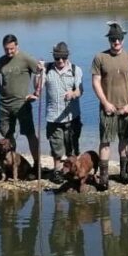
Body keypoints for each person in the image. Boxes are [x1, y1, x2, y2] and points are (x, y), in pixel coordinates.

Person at [90, 22, 128, 188]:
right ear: (109, 40)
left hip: (126, 107)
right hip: (107, 108)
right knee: (105, 141)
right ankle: (104, 178)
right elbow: (95, 82)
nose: (116, 42)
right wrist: (105, 103)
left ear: (123, 39)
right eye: (113, 39)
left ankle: (123, 173)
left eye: (118, 39)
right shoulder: (100, 57)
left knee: (124, 140)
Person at [0, 34, 43, 169]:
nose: (9, 52)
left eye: (11, 49)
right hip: (4, 104)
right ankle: (12, 164)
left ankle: (37, 164)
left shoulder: (25, 58)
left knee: (30, 134)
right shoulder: (0, 61)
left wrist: (36, 92)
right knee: (7, 135)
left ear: (17, 46)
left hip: (22, 104)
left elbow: (40, 72)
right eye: (6, 49)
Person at [43, 41, 84, 183]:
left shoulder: (75, 70)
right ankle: (57, 172)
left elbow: (80, 90)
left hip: (72, 116)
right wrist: (38, 72)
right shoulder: (46, 69)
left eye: (63, 57)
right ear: (53, 57)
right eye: (57, 58)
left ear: (67, 56)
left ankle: (73, 170)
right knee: (56, 147)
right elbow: (38, 87)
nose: (60, 61)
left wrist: (73, 94)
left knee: (72, 147)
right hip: (53, 117)